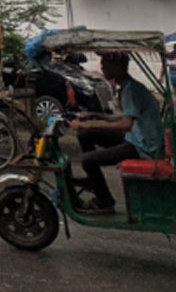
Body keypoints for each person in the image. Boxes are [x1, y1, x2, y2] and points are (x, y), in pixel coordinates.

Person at [68, 52, 163, 214]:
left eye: (105, 63)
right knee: (84, 135)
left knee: (88, 160)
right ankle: (94, 181)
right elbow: (126, 117)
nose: (102, 66)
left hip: (143, 147)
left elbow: (125, 124)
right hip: (137, 137)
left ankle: (105, 201)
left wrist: (89, 124)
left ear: (118, 66)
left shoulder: (131, 90)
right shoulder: (128, 86)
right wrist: (97, 116)